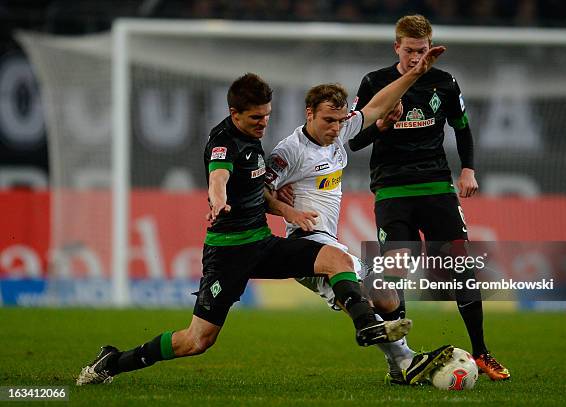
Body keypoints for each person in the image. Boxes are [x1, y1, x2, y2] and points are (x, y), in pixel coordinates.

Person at [75, 58, 444, 386]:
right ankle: (115, 361)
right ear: (235, 114)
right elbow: (218, 176)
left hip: (263, 243)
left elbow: (378, 103)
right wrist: (226, 202)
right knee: (196, 341)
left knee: (346, 266)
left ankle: (381, 340)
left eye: (267, 116)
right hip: (229, 253)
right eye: (256, 118)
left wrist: (413, 73)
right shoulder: (233, 144)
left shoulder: (307, 136)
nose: (264, 124)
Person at [348, 14, 510, 381]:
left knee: (461, 266)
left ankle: (482, 353)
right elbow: (353, 139)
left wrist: (468, 169)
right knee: (395, 269)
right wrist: (383, 125)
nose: (416, 59)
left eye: (422, 51)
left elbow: (462, 129)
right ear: (396, 47)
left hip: (437, 185)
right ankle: (401, 362)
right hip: (391, 188)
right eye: (409, 51)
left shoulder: (444, 82)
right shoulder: (376, 82)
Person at [266, 88, 437, 385]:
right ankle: (408, 359)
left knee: (385, 294)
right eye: (328, 120)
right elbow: (257, 191)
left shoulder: (339, 133)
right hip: (306, 246)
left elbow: (374, 108)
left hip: (329, 241)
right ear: (309, 113)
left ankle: (398, 367)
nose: (335, 128)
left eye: (340, 121)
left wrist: (415, 75)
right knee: (358, 296)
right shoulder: (289, 150)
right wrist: (285, 209)